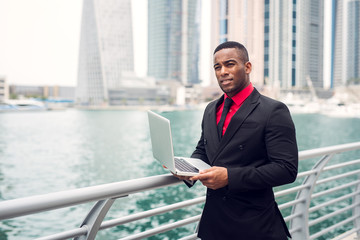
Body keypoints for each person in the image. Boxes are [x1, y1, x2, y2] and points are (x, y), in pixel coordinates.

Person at [174, 41, 298, 239]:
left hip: (255, 225)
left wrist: (229, 177)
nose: (223, 71)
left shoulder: (273, 110)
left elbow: (286, 169)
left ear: (247, 67)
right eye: (217, 67)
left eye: (229, 64)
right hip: (214, 224)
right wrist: (186, 169)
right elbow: (203, 150)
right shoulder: (210, 109)